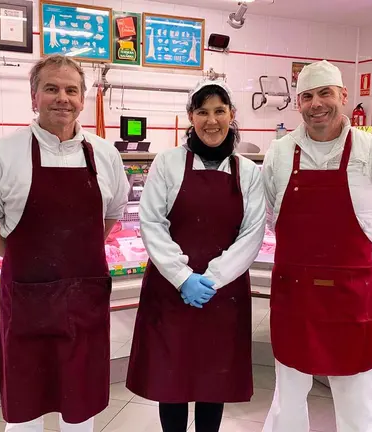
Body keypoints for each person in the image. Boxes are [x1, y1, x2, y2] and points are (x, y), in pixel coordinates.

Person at [0, 54, 129, 432]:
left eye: (71, 90)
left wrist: (80, 254)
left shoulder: (104, 154)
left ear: (83, 99)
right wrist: (20, 256)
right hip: (28, 299)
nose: (62, 98)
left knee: (80, 404)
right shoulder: (4, 153)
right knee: (26, 404)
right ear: (34, 97)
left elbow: (113, 212)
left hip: (84, 297)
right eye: (51, 88)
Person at [261, 60, 372, 432]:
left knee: (356, 393)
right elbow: (268, 214)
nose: (316, 104)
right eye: (307, 96)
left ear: (343, 95)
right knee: (288, 390)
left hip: (349, 293)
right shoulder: (278, 153)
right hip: (294, 292)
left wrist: (354, 262)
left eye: (325, 93)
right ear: (298, 103)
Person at [126, 79, 265, 432]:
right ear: (190, 117)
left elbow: (252, 233)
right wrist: (183, 276)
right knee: (171, 382)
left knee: (213, 379)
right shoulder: (168, 162)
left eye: (220, 111)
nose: (212, 120)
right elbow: (151, 221)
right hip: (171, 289)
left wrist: (214, 278)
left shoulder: (247, 172)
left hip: (224, 292)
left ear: (231, 115)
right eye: (202, 112)